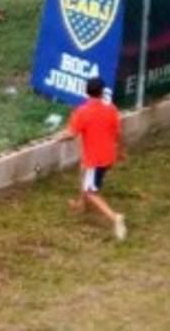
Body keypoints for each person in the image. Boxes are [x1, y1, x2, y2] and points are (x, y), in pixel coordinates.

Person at [58, 76, 126, 240]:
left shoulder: (82, 112)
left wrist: (59, 137)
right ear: (102, 92)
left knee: (91, 191)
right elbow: (118, 133)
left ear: (86, 92)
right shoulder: (111, 109)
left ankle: (114, 217)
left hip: (95, 160)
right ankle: (81, 204)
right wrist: (121, 151)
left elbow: (72, 134)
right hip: (109, 155)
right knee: (85, 172)